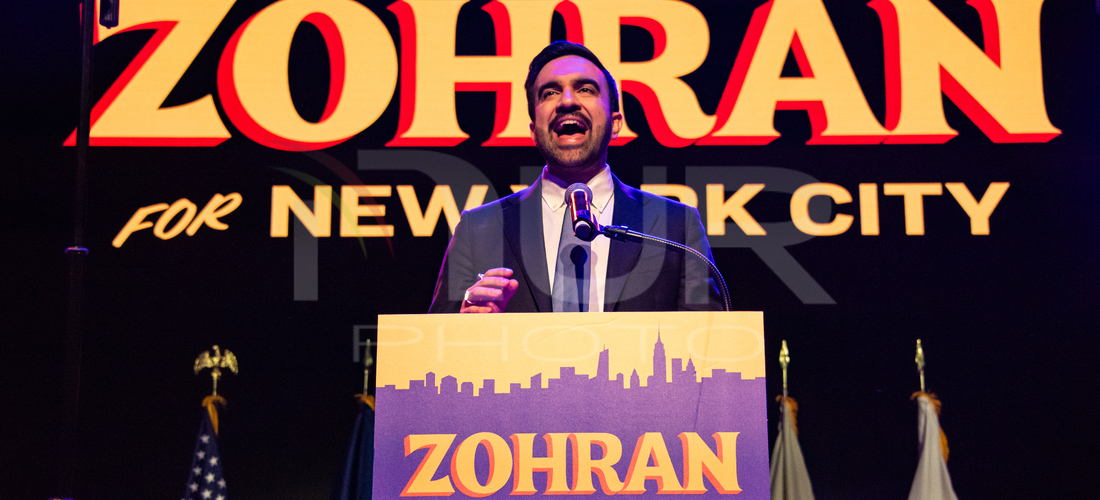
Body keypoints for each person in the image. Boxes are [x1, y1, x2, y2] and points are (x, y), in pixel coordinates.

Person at [428, 41, 721, 313]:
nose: (567, 101)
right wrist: (463, 324)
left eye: (586, 89)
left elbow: (708, 344)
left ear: (615, 123)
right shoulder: (477, 230)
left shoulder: (675, 227)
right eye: (550, 93)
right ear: (533, 131)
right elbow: (435, 350)